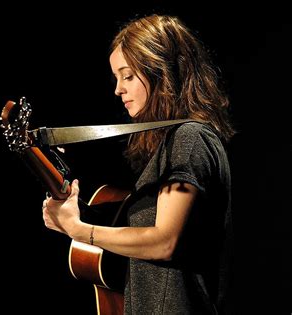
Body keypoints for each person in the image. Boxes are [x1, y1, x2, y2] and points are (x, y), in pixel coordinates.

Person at [42, 14, 235, 314]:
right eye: (116, 78)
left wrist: (81, 231)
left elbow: (163, 241)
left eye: (128, 75)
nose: (118, 89)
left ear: (163, 72)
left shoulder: (190, 137)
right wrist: (70, 221)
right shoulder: (177, 141)